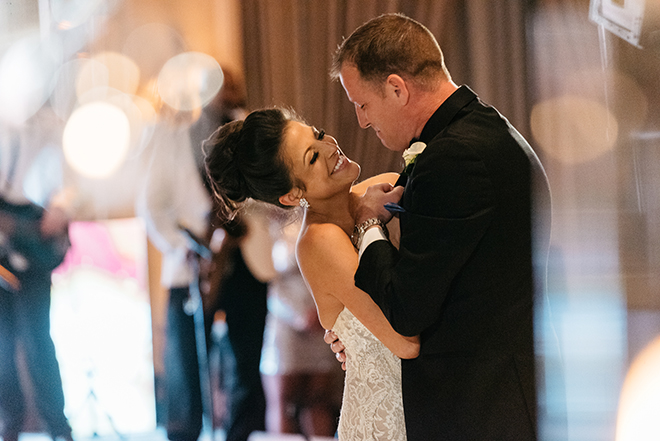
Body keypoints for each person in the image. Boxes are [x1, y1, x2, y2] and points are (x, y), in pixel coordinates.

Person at [325, 13, 552, 441]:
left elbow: (408, 308)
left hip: (480, 409)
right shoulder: (480, 130)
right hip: (497, 394)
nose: (360, 121)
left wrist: (368, 222)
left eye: (362, 103)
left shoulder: (453, 158)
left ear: (397, 88)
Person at [204, 107, 420, 440]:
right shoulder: (320, 240)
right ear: (292, 195)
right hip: (389, 418)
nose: (330, 148)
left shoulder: (384, 187)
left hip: (424, 403)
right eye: (312, 158)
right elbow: (405, 342)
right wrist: (368, 223)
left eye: (318, 134)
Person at [136, 106, 212, 441]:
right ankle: (185, 431)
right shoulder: (173, 141)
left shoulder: (235, 127)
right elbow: (150, 204)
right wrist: (178, 245)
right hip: (188, 267)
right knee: (184, 360)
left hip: (234, 263)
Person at [0, 108, 74, 441]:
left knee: (38, 342)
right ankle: (9, 424)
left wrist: (60, 207)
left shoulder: (49, 126)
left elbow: (70, 182)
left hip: (34, 244)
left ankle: (58, 427)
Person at [260, 217, 341, 438]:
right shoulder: (270, 222)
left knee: (318, 399)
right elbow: (268, 276)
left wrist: (325, 311)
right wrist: (297, 315)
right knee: (282, 401)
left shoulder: (325, 218)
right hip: (285, 318)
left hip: (320, 317)